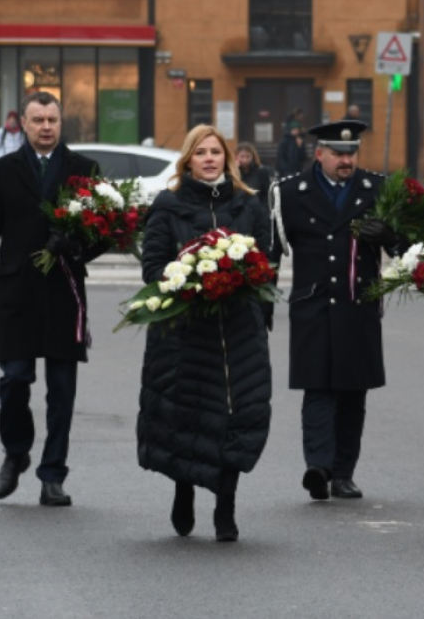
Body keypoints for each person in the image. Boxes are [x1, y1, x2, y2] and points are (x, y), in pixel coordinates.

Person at [0, 92, 108, 508]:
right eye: (37, 120)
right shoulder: (2, 171)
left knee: (62, 389)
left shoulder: (84, 170)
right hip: (16, 292)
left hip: (64, 292)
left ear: (61, 122)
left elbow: (105, 230)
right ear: (23, 124)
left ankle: (53, 474)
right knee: (14, 380)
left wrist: (76, 245)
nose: (46, 127)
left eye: (52, 119)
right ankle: (15, 453)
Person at [137, 125, 274, 542]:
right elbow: (153, 267)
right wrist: (191, 277)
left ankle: (226, 506)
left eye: (216, 151)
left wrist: (245, 284)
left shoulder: (249, 205)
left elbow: (265, 262)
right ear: (188, 160)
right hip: (184, 332)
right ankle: (183, 491)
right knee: (185, 414)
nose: (210, 158)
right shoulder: (169, 205)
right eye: (201, 152)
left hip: (237, 333)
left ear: (228, 159)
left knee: (236, 414)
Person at [269, 119, 402, 501]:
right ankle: (318, 466)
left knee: (352, 392)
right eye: (339, 154)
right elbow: (272, 253)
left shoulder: (376, 188)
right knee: (318, 389)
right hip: (313, 306)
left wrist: (390, 236)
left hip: (358, 305)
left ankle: (343, 472)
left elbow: (407, 247)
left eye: (352, 153)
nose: (346, 160)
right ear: (320, 153)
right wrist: (263, 300)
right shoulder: (291, 192)